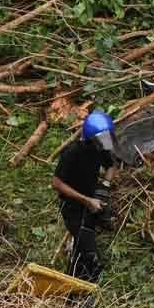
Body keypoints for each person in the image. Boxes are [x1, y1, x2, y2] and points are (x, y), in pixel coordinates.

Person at [51, 110, 117, 283]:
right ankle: (77, 287)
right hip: (73, 207)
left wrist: (105, 186)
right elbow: (56, 183)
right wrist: (87, 201)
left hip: (92, 199)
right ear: (90, 138)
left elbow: (111, 166)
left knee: (108, 218)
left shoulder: (99, 148)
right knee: (88, 255)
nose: (105, 143)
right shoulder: (71, 153)